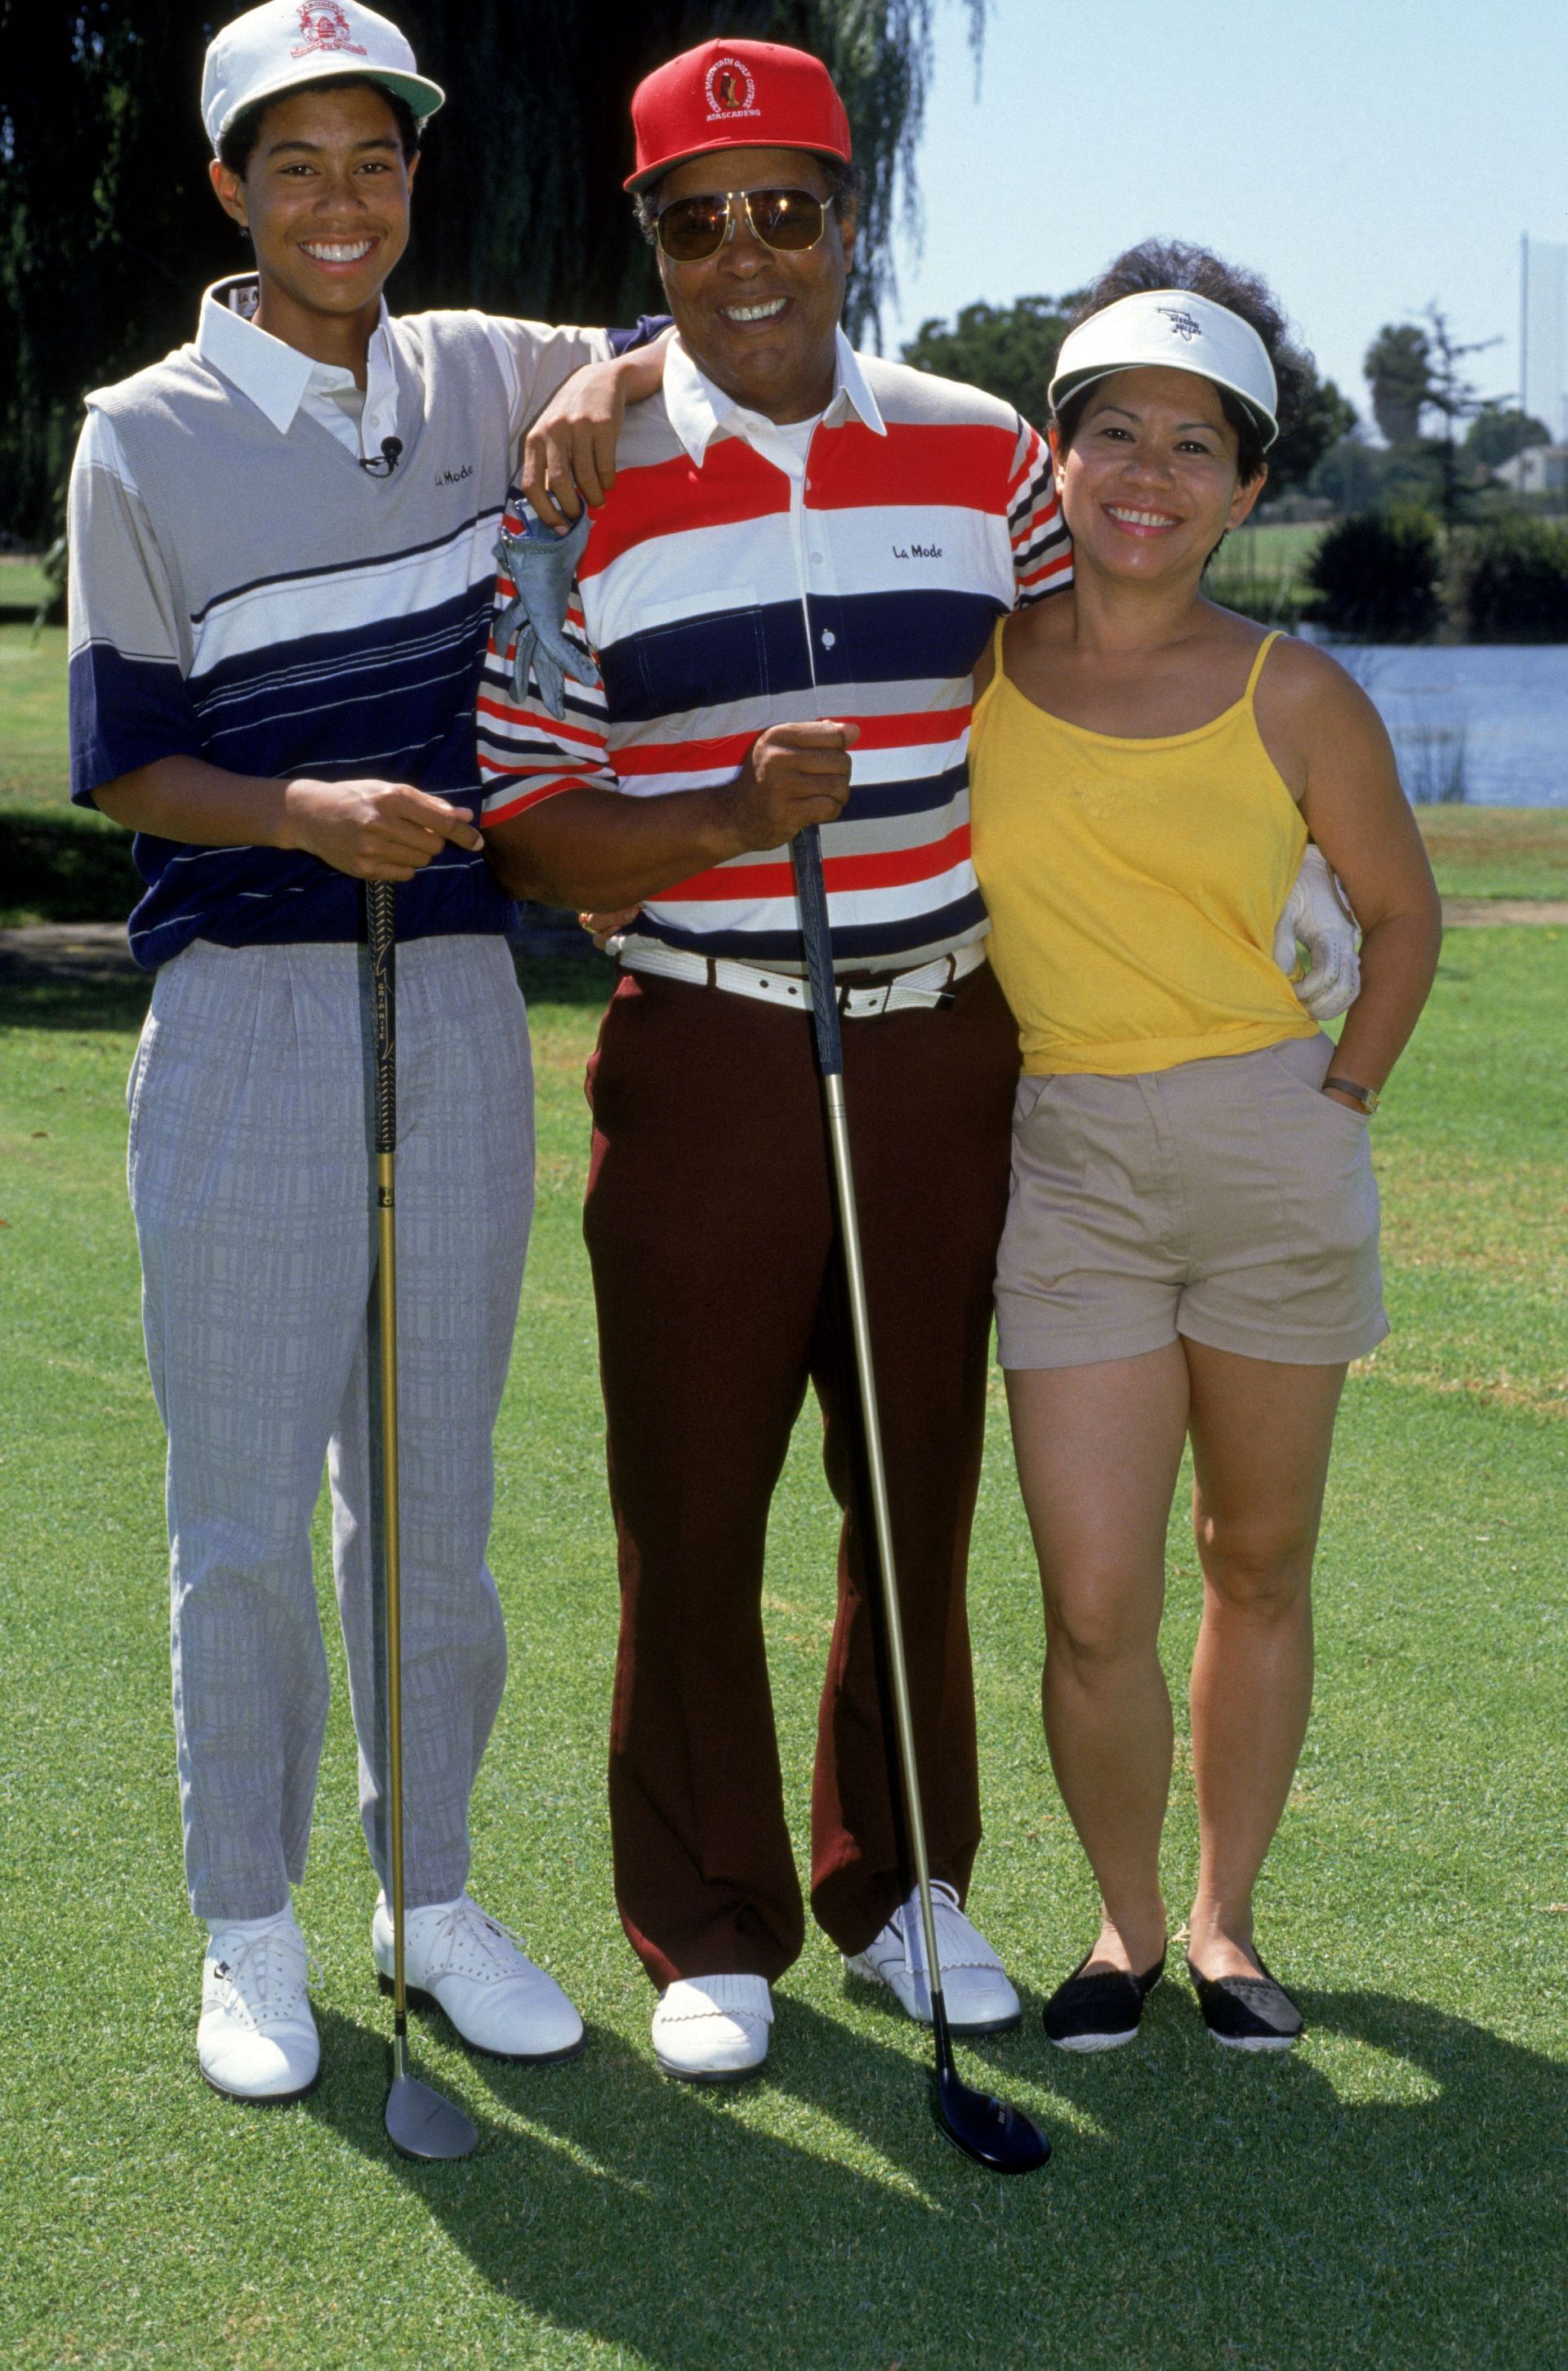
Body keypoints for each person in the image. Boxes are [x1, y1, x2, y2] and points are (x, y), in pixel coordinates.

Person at [67, 0, 659, 2104]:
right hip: (245, 1007)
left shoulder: (484, 368)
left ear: (414, 181)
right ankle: (250, 1926)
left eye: (377, 161)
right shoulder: (138, 429)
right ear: (228, 187)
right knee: (239, 1513)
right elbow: (128, 760)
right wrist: (300, 815)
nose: (345, 201)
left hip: (464, 995)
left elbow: (682, 343)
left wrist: (600, 389)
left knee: (430, 1503)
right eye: (296, 163)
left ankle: (433, 1887)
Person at [474, 36, 1079, 2082]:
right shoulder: (574, 486)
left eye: (788, 209)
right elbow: (534, 815)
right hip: (707, 1047)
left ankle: (901, 1887)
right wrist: (727, 822)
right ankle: (709, 1921)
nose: (750, 255)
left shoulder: (989, 455)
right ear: (648, 244)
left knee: (912, 1493)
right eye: (696, 221)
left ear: (851, 219)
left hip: (941, 1049)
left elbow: (1094, 713)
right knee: (692, 1503)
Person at [968, 242, 1442, 2052]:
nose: (1149, 475)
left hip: (1269, 1146)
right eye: (1115, 435)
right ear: (1057, 456)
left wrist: (1335, 1102)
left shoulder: (1299, 693)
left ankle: (1232, 1930)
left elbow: (1399, 927)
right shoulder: (979, 670)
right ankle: (1123, 1926)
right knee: (1093, 1595)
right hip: (1068, 1159)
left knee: (1257, 1556)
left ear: (1248, 489)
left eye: (1196, 445)